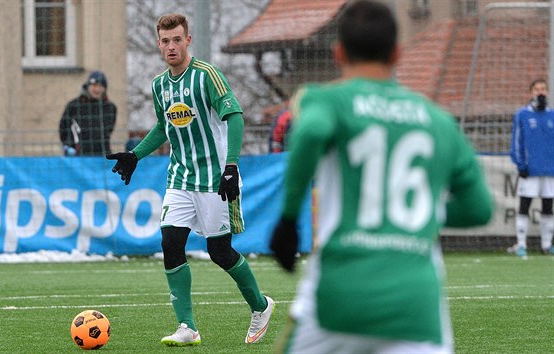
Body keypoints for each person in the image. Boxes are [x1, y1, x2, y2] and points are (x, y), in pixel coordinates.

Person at [269, 1, 493, 353]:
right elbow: (480, 209)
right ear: (398, 53)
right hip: (417, 306)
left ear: (339, 53)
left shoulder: (326, 100)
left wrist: (287, 220)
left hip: (341, 293)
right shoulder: (438, 121)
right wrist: (422, 211)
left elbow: (309, 133)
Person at [106, 13, 274, 346]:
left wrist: (232, 166)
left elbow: (235, 116)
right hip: (180, 178)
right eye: (165, 41)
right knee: (170, 243)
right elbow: (162, 127)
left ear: (188, 40)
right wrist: (135, 155)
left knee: (220, 253)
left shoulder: (207, 76)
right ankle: (187, 326)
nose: (171, 46)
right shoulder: (159, 86)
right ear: (159, 43)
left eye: (177, 40)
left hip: (215, 178)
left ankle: (261, 305)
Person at [510, 78, 554, 257]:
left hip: (550, 171)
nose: (541, 92)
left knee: (548, 208)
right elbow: (516, 141)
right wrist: (521, 164)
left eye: (543, 89)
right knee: (524, 206)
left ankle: (546, 245)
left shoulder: (552, 115)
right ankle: (521, 245)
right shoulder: (522, 115)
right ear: (531, 92)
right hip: (530, 170)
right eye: (537, 89)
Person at [59, 71, 116, 156]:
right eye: (94, 85)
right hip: (78, 156)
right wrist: (69, 147)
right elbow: (63, 129)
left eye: (100, 86)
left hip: (102, 156)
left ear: (104, 88)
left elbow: (109, 130)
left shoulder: (110, 108)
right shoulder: (74, 105)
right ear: (88, 86)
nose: (97, 89)